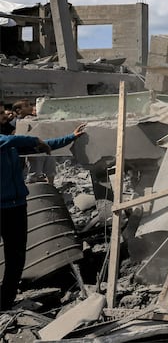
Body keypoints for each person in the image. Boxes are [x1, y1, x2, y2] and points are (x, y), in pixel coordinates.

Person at [1, 123, 87, 310]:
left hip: (17, 207)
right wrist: (36, 140)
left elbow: (44, 146)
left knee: (16, 256)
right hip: (2, 207)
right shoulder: (5, 142)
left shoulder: (10, 146)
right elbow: (11, 140)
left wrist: (70, 137)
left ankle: (6, 301)